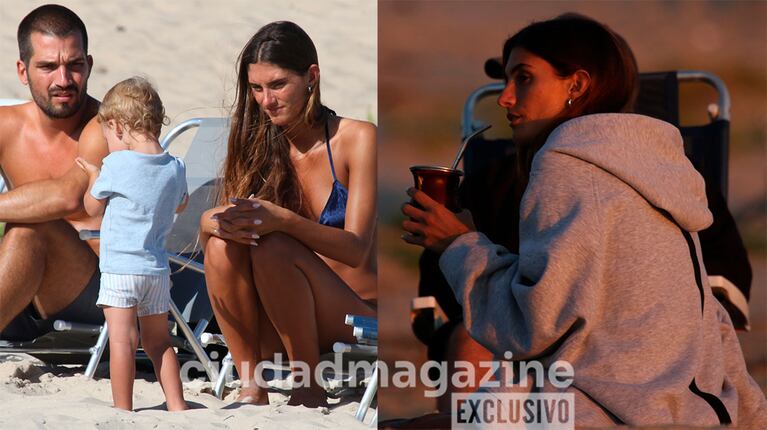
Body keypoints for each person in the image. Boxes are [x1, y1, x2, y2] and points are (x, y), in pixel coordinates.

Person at [401, 13, 767, 428]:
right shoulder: (661, 169)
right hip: (691, 407)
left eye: (523, 78)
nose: (504, 98)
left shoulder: (567, 167)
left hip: (602, 410)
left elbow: (531, 328)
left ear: (576, 85)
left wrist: (457, 245)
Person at [199, 21, 377, 408]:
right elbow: (225, 235)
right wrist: (208, 221)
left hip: (353, 317)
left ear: (311, 76)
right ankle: (252, 386)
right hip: (279, 320)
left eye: (277, 85)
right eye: (256, 88)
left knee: (275, 247)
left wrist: (284, 221)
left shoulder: (357, 139)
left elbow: (356, 250)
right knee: (219, 247)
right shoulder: (259, 143)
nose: (266, 100)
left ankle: (308, 388)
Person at [76, 77, 189, 411]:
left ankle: (123, 409)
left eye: (108, 135)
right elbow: (180, 204)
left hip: (121, 270)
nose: (109, 143)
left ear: (119, 126)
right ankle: (177, 405)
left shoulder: (116, 164)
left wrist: (94, 177)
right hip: (156, 271)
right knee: (160, 344)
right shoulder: (175, 166)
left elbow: (92, 208)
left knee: (123, 343)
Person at [0, 4, 107, 340]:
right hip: (22, 295)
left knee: (34, 227)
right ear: (22, 70)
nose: (63, 81)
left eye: (74, 66)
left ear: (88, 65)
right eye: (47, 67)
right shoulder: (7, 127)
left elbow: (67, 196)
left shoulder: (111, 127)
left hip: (100, 294)